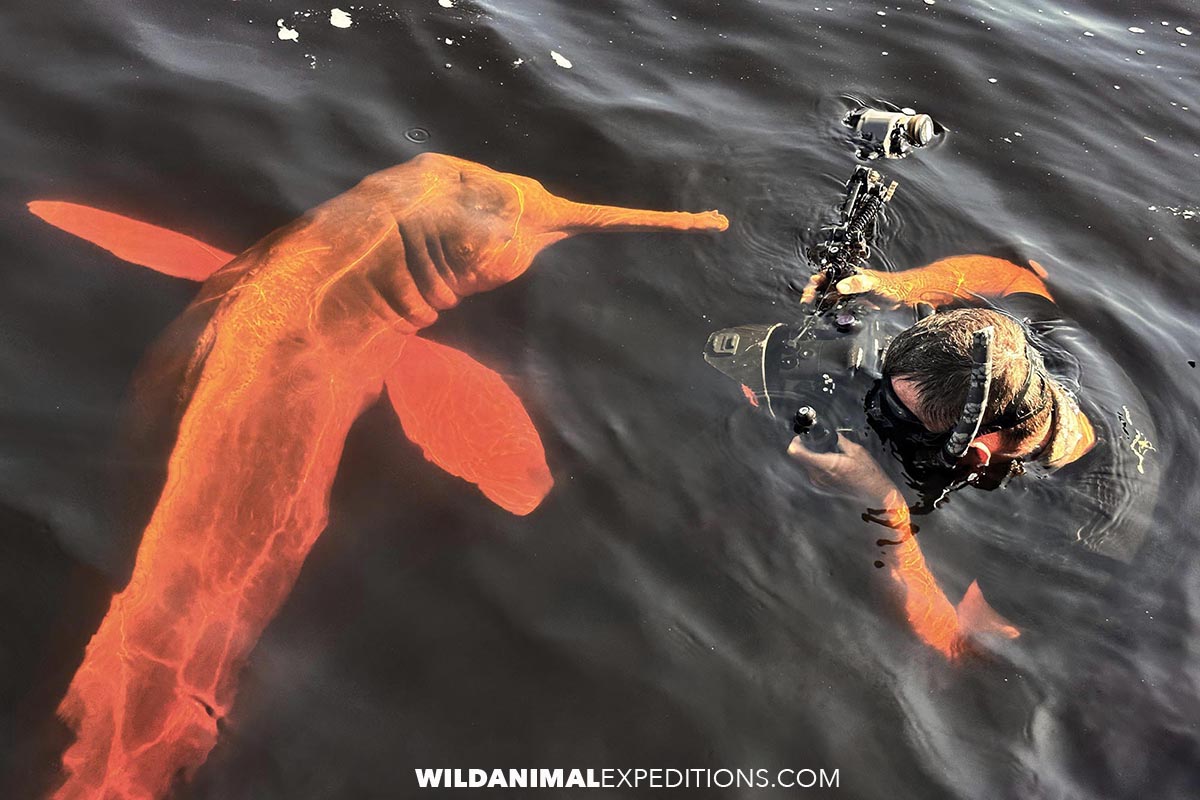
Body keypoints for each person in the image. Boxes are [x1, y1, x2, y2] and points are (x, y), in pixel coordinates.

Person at [787, 255, 1161, 660]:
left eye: (904, 416)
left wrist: (884, 504)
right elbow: (1012, 277)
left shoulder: (1070, 542)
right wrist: (904, 286)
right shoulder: (1028, 349)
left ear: (977, 452)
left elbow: (957, 642)